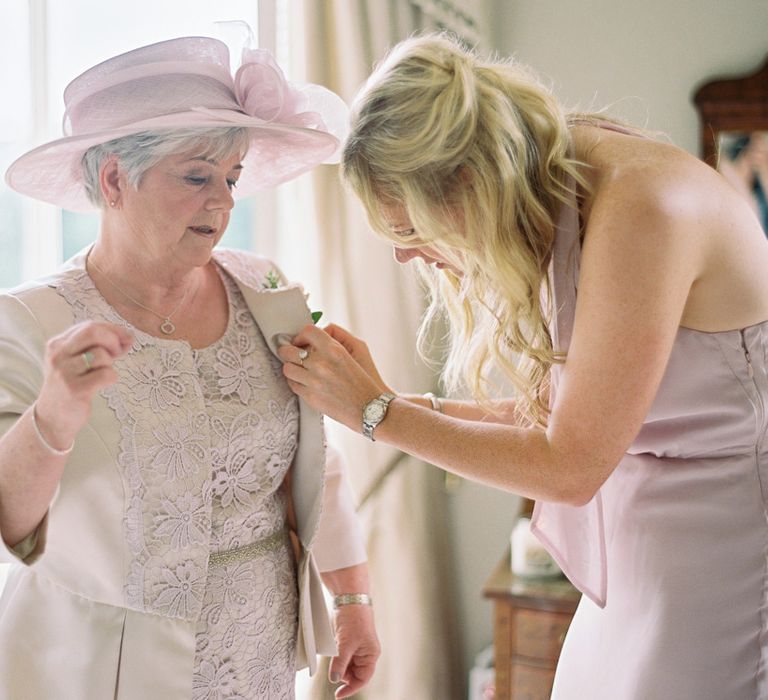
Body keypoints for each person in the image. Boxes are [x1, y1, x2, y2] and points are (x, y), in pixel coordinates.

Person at [278, 33, 768, 700]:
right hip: (637, 556)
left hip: (723, 558)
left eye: (412, 230)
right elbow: (559, 416)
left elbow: (568, 463)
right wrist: (385, 401)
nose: (407, 257)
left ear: (467, 186)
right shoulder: (564, 178)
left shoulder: (641, 208)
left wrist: (378, 415)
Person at [1, 36, 379, 700]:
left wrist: (351, 600)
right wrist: (55, 412)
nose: (223, 203)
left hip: (259, 651)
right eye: (197, 176)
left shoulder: (265, 290)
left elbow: (314, 456)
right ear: (116, 179)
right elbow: (8, 519)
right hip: (100, 671)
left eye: (231, 177)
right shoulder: (27, 322)